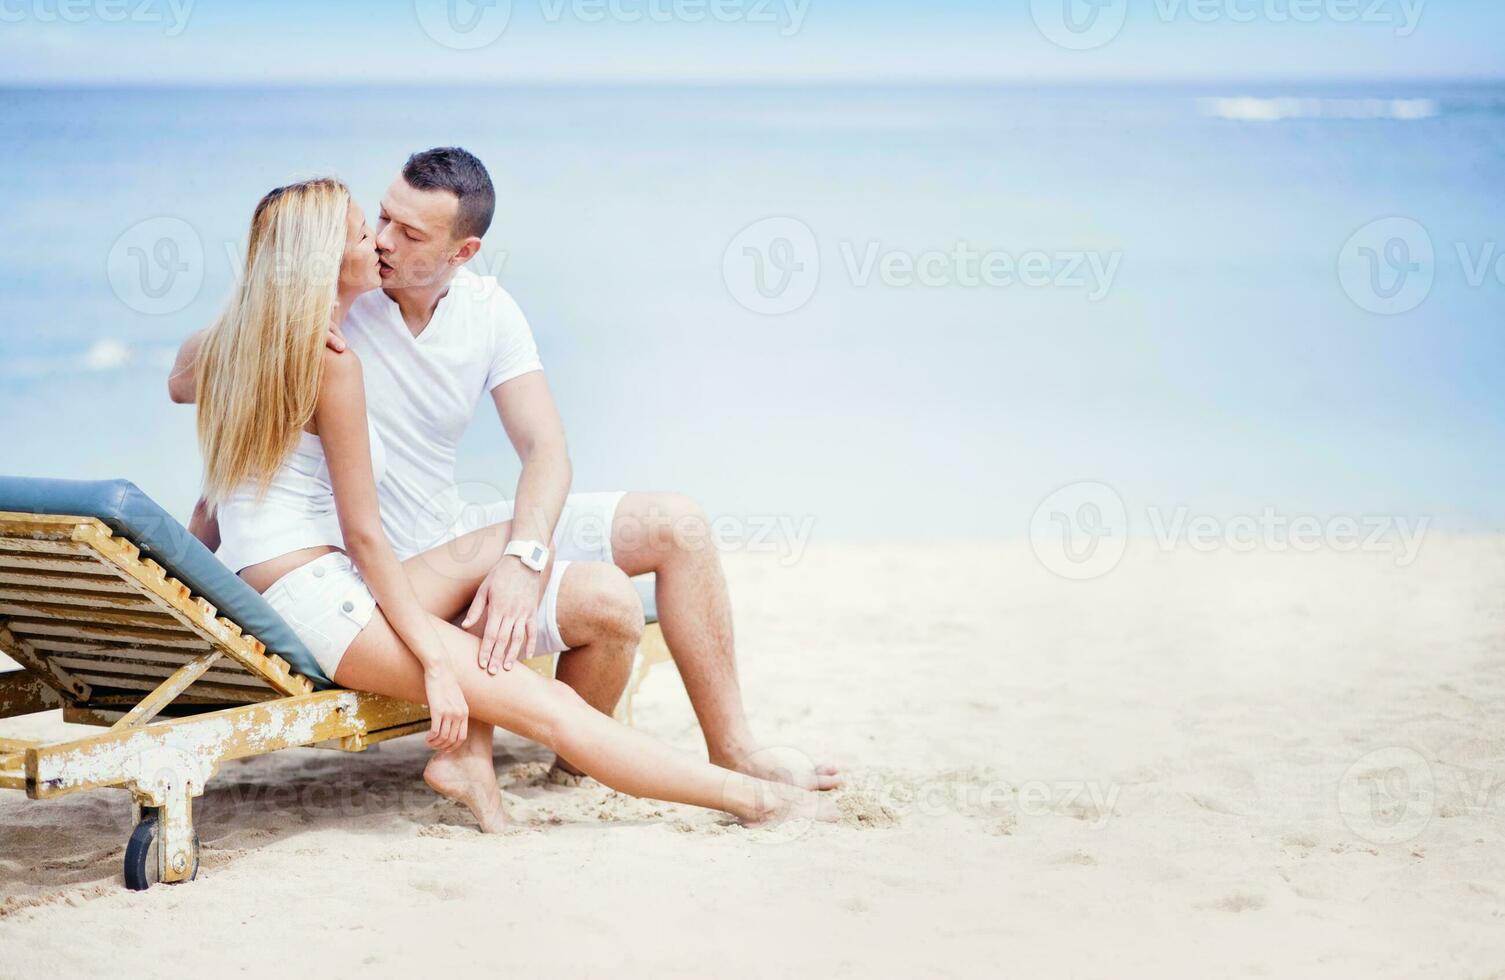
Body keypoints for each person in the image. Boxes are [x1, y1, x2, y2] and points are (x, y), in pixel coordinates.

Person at [170, 148, 838, 820]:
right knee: (566, 662)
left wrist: (525, 559)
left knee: (667, 526)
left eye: (409, 234)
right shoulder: (335, 335)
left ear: (462, 252)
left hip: (415, 548)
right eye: (375, 224)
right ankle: (746, 800)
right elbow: (350, 522)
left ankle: (733, 756)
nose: (383, 243)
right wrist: (435, 662)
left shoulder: (470, 311)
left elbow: (545, 447)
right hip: (356, 576)